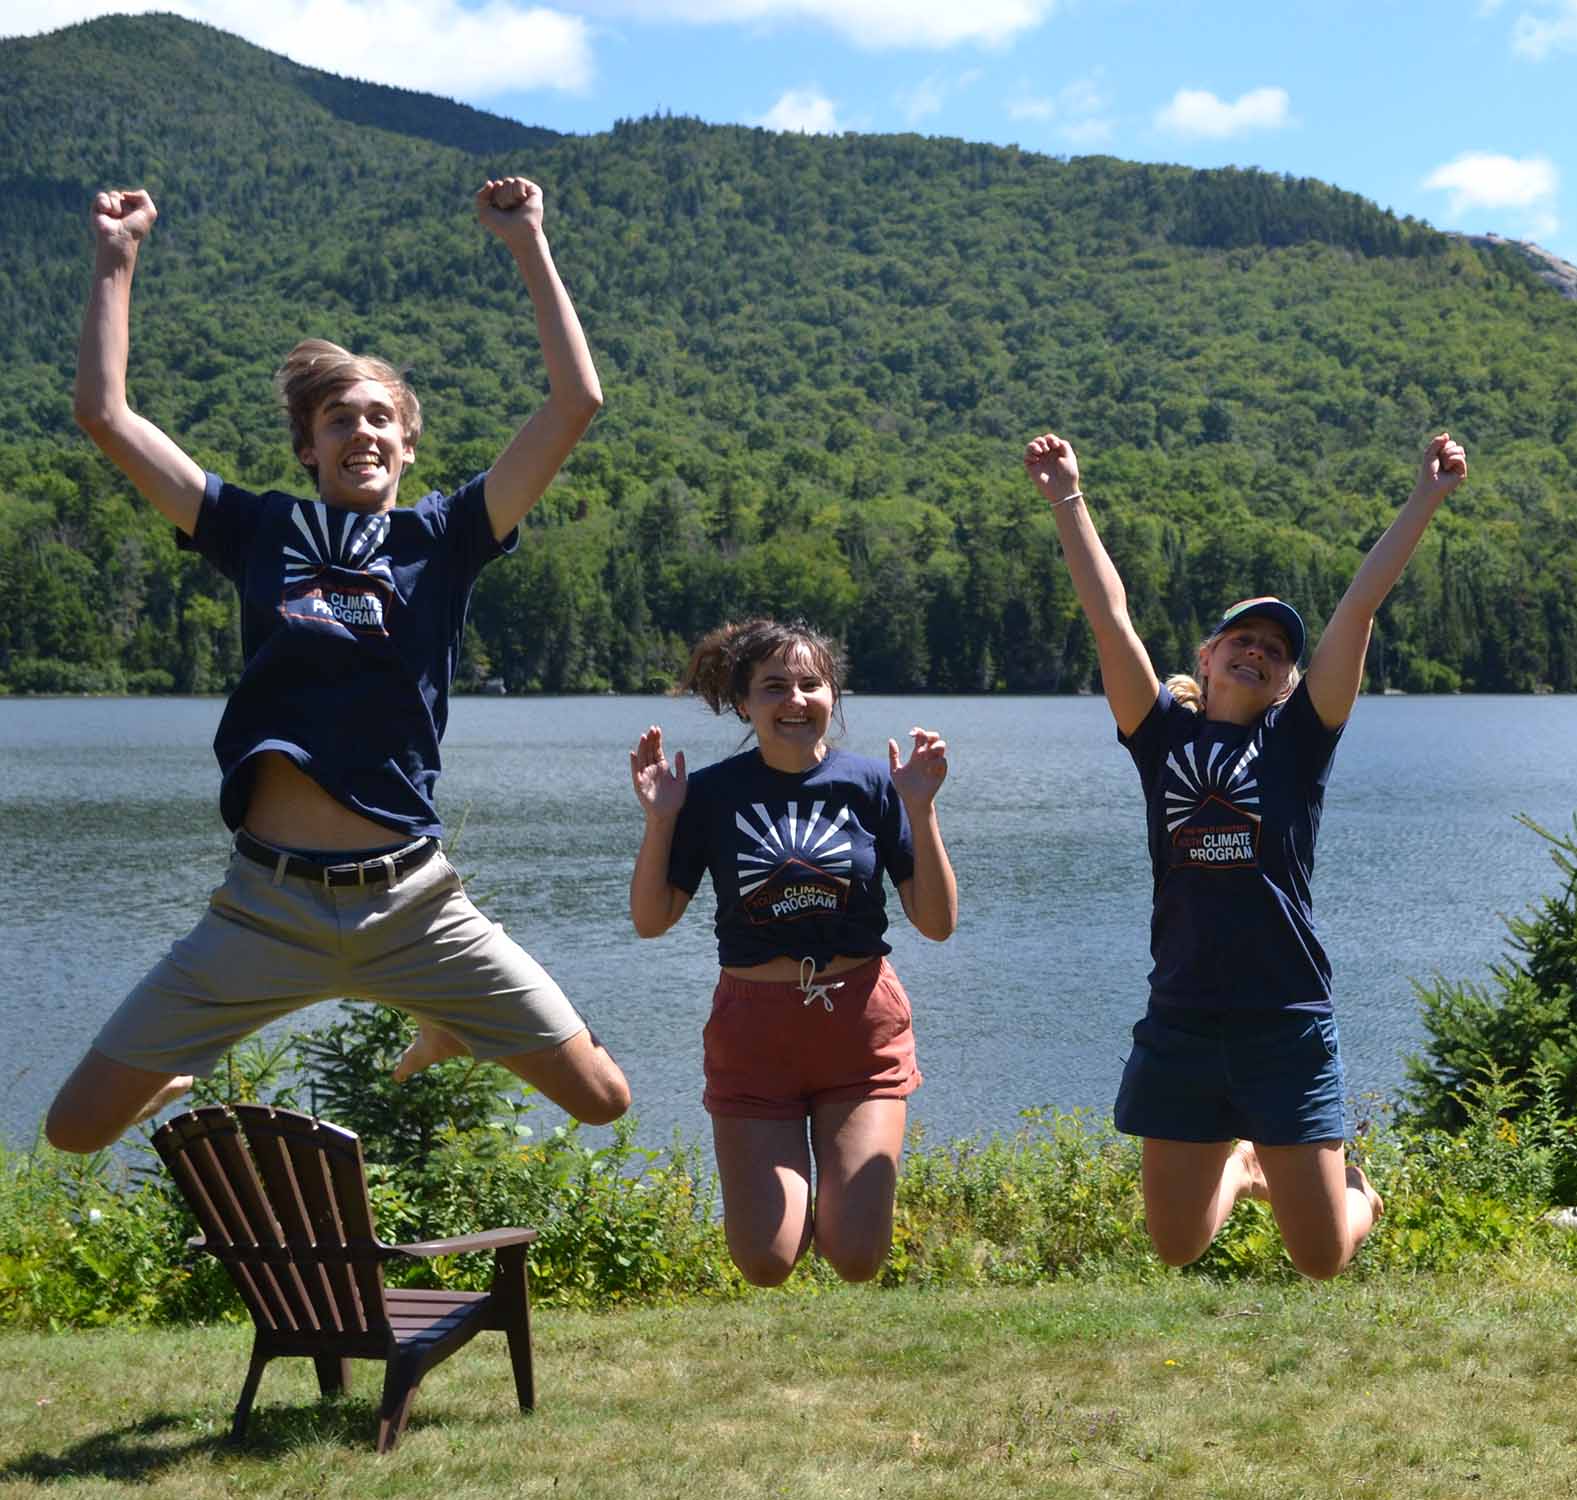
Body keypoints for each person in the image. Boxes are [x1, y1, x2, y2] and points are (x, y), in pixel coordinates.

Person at [45, 178, 628, 1152]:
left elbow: (578, 402)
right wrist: (117, 257)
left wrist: (526, 240)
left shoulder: (445, 537)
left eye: (378, 419)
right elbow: (105, 416)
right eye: (338, 421)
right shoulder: (257, 528)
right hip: (263, 911)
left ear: (405, 445)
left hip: (414, 903)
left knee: (602, 1099)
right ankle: (195, 1049)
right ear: (309, 449)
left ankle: (450, 1021)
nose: (360, 430)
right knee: (73, 1129)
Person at [1024, 429, 1466, 1278]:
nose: (1259, 650)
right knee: (1175, 1244)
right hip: (1183, 1017)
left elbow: (1356, 611)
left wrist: (1424, 499)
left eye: (1277, 649)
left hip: (1284, 1020)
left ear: (1292, 682)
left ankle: (1360, 1195)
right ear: (1207, 657)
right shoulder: (1160, 737)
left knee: (1322, 1256)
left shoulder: (1298, 745)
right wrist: (1066, 499)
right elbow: (1109, 617)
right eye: (1243, 639)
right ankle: (1238, 1159)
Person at [627, 620, 954, 1286]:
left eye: (812, 683)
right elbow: (651, 918)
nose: (795, 700)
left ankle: (833, 1204)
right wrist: (661, 818)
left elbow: (938, 922)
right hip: (754, 1033)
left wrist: (922, 810)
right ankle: (794, 1197)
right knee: (764, 1261)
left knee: (857, 1255)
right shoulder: (713, 794)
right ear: (744, 702)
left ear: (833, 695)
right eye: (774, 686)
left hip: (860, 1027)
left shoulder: (874, 785)